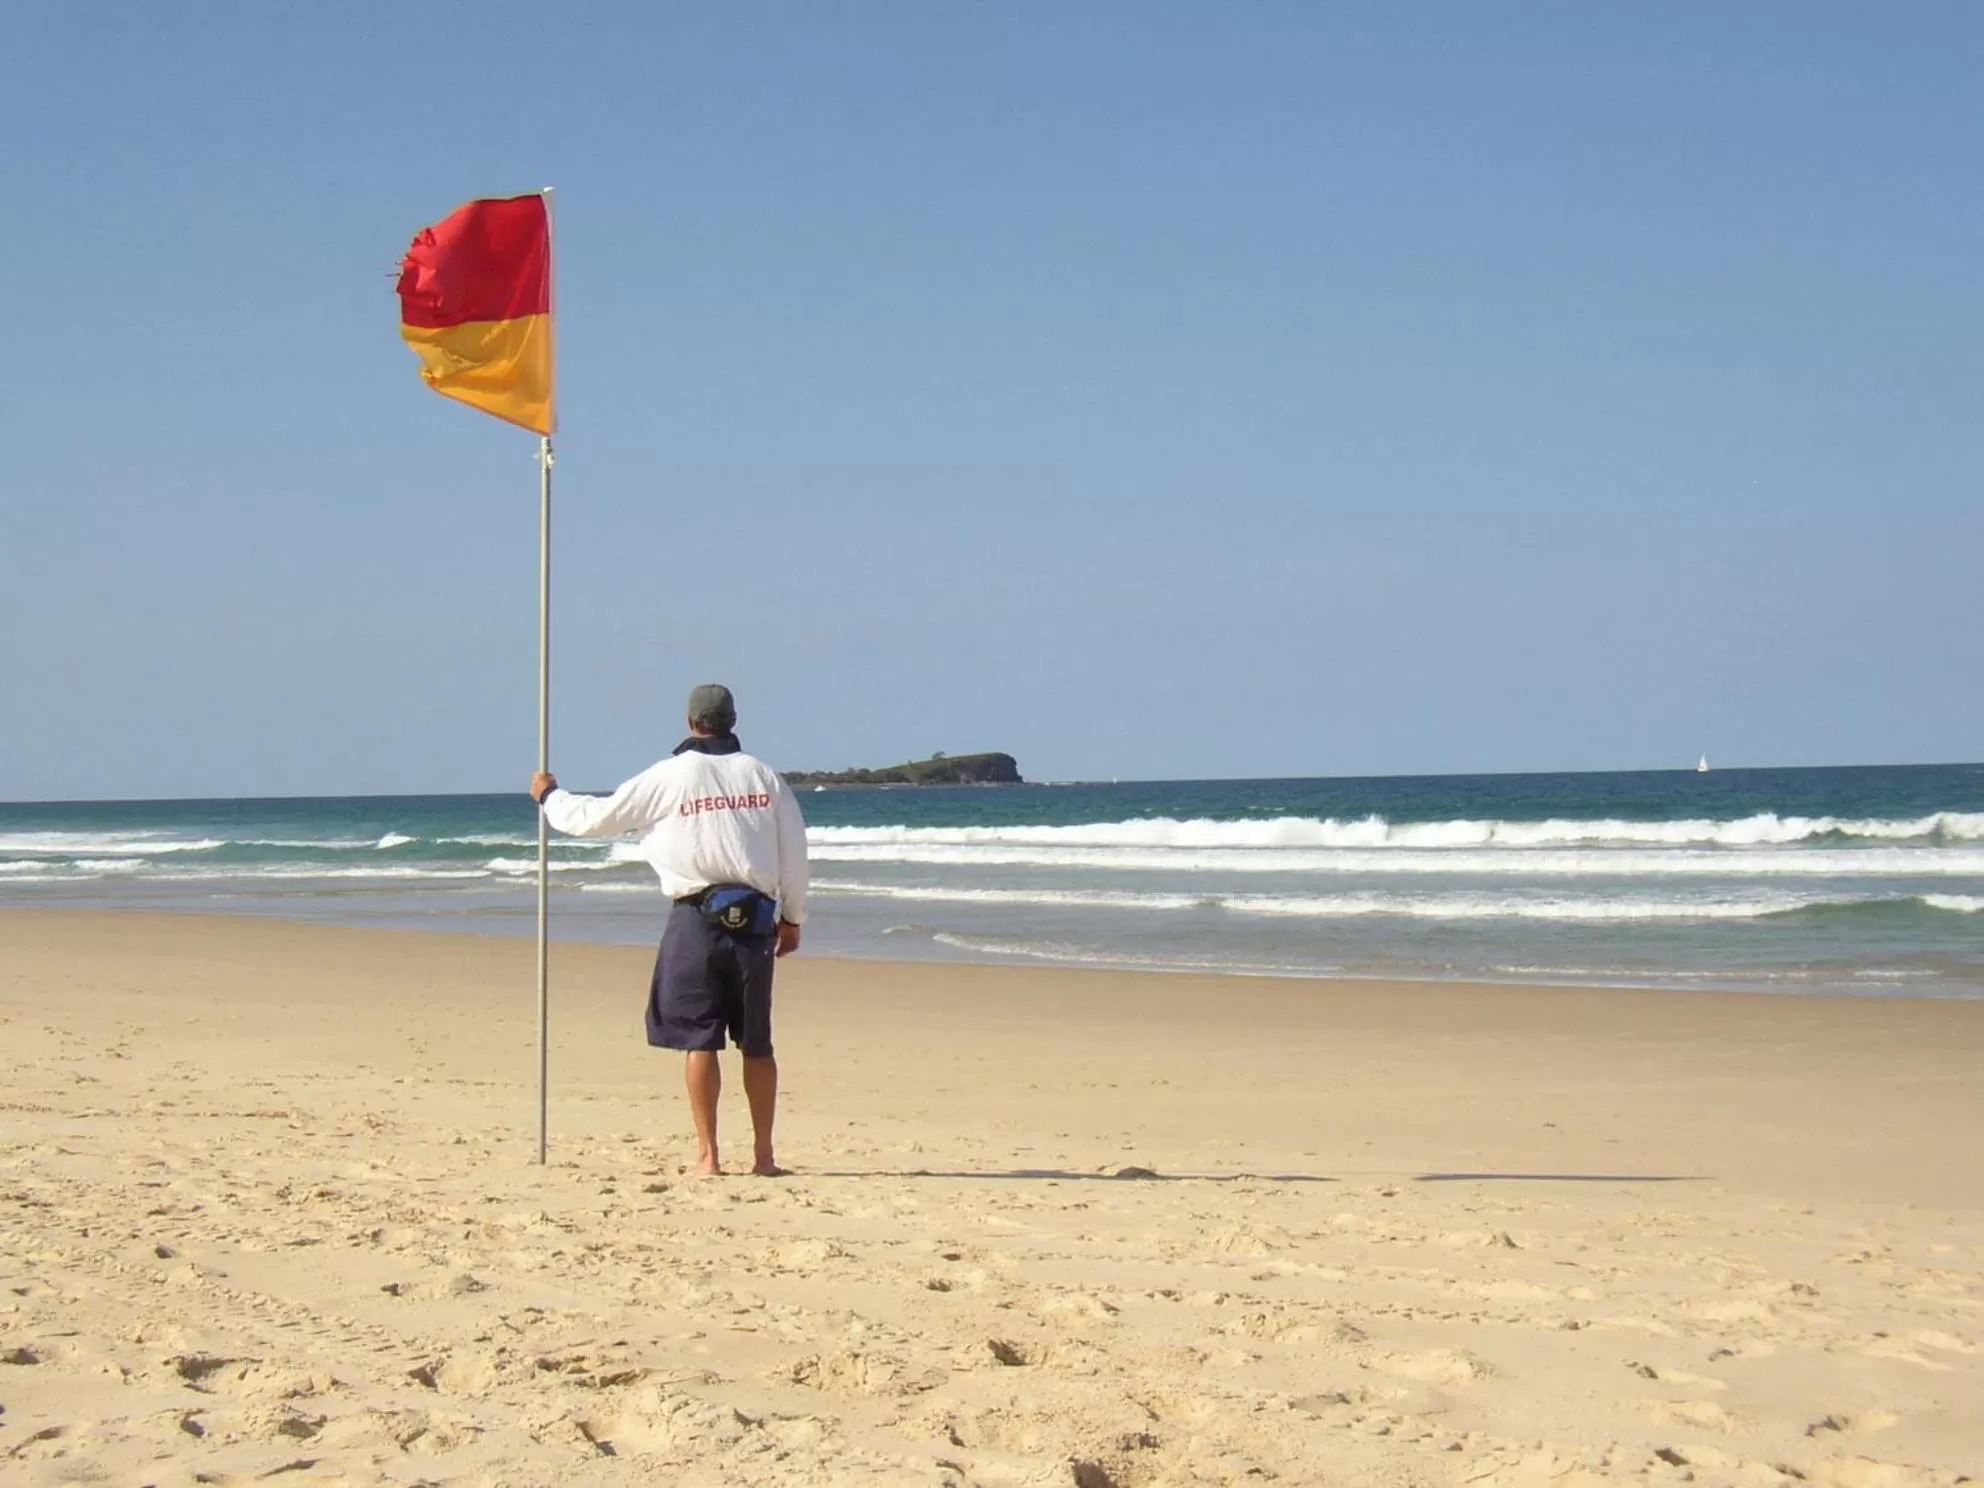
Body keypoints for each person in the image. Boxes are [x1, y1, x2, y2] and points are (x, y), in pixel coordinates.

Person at [529, 683, 808, 1177]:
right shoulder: (763, 775)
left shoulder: (670, 775)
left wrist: (550, 796)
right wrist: (793, 917)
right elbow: (794, 852)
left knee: (701, 1039)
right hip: (755, 922)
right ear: (733, 720)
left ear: (690, 722)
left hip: (695, 918)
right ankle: (763, 1158)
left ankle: (709, 1157)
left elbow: (597, 818)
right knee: (757, 1042)